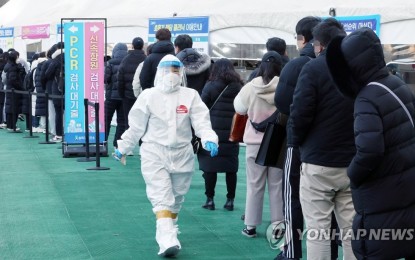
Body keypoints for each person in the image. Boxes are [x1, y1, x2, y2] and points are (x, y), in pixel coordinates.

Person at [113, 55, 219, 257]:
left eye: (176, 69)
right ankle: (167, 240)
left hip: (182, 153)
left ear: (181, 72)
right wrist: (123, 146)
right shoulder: (148, 96)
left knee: (177, 197)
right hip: (155, 152)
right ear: (159, 72)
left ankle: (169, 228)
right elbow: (135, 126)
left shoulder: (191, 96)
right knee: (162, 196)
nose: (172, 74)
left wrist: (209, 138)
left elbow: (201, 121)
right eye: (167, 69)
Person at [327, 27, 415, 260]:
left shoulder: (366, 97)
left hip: (381, 192)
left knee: (373, 249)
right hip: (404, 183)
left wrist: (353, 174)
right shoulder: (396, 84)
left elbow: (369, 150)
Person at [288, 18, 356, 260]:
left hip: (318, 161)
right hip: (352, 162)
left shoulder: (314, 68)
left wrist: (297, 142)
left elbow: (300, 113)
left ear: (319, 44)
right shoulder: (357, 67)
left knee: (318, 230)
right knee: (351, 230)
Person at [273, 16, 321, 260]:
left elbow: (282, 102)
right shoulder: (343, 65)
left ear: (303, 39)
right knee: (331, 204)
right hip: (335, 145)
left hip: (299, 141)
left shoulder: (297, 65)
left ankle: (291, 251)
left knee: (292, 197)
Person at [234, 51, 284, 238]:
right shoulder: (283, 87)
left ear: (261, 66)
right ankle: (278, 226)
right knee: (276, 185)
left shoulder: (250, 87)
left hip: (255, 142)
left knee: (254, 185)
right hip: (278, 141)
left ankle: (251, 226)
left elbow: (239, 108)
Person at [198, 58, 243, 211]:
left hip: (213, 132)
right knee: (231, 168)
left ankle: (209, 200)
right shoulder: (239, 87)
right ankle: (230, 200)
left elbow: (201, 108)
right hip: (232, 133)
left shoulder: (210, 85)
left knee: (211, 167)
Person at [117, 37, 146, 129]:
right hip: (143, 96)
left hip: (127, 96)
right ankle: (142, 143)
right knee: (143, 123)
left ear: (132, 46)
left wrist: (122, 95)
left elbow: (120, 79)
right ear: (142, 46)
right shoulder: (146, 59)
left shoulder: (126, 60)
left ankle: (128, 143)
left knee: (128, 124)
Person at [104, 42, 128, 150]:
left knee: (106, 120)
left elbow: (106, 79)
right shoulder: (128, 62)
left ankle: (103, 142)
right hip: (123, 97)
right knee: (121, 122)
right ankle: (117, 145)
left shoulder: (110, 63)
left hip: (110, 97)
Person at [45, 42, 65, 142]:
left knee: (58, 113)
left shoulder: (56, 60)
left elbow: (47, 74)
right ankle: (70, 133)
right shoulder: (73, 58)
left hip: (58, 90)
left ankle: (59, 134)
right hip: (72, 90)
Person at [1, 50, 26, 131]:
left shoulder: (8, 65)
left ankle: (10, 125)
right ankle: (12, 126)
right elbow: (13, 79)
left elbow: (4, 79)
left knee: (9, 107)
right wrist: (21, 87)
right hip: (14, 90)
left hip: (9, 88)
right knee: (14, 108)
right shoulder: (13, 67)